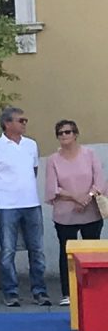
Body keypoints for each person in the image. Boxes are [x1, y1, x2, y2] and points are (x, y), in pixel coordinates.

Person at [0, 106, 50, 307]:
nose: (24, 123)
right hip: (7, 206)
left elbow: (34, 170)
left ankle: (40, 291)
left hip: (31, 204)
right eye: (21, 120)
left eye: (25, 120)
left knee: (37, 250)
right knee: (8, 251)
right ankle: (10, 292)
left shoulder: (31, 145)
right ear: (7, 123)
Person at [43, 119, 103, 306]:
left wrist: (87, 197)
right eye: (60, 133)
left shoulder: (90, 154)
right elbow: (53, 188)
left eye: (67, 132)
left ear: (75, 134)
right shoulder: (53, 159)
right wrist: (75, 197)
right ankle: (68, 293)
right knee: (66, 253)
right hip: (65, 214)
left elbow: (100, 180)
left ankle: (93, 291)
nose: (64, 136)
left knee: (92, 253)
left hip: (91, 210)